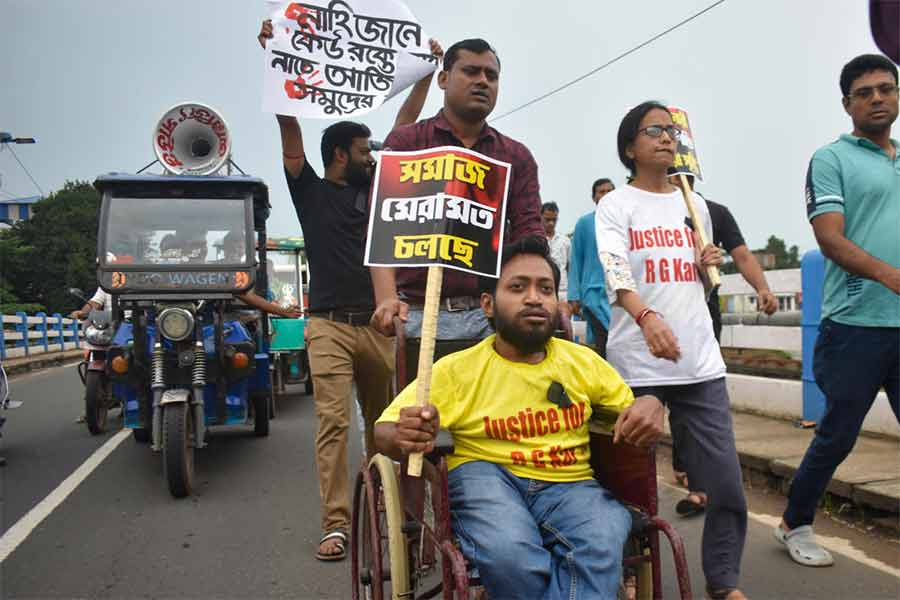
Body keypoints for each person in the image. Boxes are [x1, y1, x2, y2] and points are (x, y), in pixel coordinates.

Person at [374, 236, 665, 600]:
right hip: (485, 475)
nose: (534, 298)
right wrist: (404, 432)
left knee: (604, 539)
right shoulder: (454, 370)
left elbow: (631, 409)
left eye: (545, 288)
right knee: (511, 555)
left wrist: (652, 401)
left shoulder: (583, 362)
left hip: (570, 483)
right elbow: (383, 431)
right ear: (488, 304)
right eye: (517, 287)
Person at [258, 20, 443, 562]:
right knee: (333, 423)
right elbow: (289, 131)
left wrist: (426, 73)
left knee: (386, 425)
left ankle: (391, 507)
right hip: (329, 326)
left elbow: (406, 124)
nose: (372, 154)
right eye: (364, 148)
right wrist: (276, 59)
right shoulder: (308, 191)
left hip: (380, 327)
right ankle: (337, 523)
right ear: (340, 153)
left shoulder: (381, 185)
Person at [595, 101, 748, 600]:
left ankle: (723, 582)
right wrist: (646, 317)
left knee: (725, 484)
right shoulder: (615, 206)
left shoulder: (694, 205)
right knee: (631, 488)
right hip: (639, 366)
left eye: (672, 131)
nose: (666, 138)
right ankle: (629, 572)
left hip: (699, 364)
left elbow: (696, 292)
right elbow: (617, 277)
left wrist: (708, 264)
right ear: (629, 147)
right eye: (653, 130)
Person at [774, 53, 899, 568]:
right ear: (847, 103)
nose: (877, 98)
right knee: (838, 435)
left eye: (886, 89)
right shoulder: (831, 159)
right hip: (854, 326)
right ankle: (794, 522)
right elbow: (829, 238)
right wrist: (890, 276)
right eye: (865, 92)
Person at [369, 38, 544, 340]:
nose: (482, 82)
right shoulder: (406, 144)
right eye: (471, 71)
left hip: (492, 317)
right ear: (443, 78)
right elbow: (383, 231)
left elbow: (530, 235)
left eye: (491, 76)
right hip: (416, 315)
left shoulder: (517, 156)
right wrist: (386, 299)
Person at [668, 174, 777, 517]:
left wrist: (763, 288)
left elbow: (742, 256)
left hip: (702, 319)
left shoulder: (715, 213)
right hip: (656, 321)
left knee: (701, 399)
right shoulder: (640, 211)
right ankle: (687, 474)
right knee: (675, 402)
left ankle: (701, 485)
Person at [569, 178, 615, 356]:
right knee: (601, 341)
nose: (605, 195)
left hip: (618, 293)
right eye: (601, 192)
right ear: (594, 197)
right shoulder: (584, 223)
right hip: (592, 294)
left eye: (609, 191)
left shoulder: (623, 221)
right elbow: (576, 259)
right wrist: (574, 295)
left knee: (617, 341)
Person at [541, 202, 571, 323]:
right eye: (547, 219)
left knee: (565, 325)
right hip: (543, 290)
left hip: (562, 291)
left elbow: (570, 268)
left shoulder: (565, 241)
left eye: (554, 220)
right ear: (540, 217)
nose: (551, 223)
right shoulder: (536, 239)